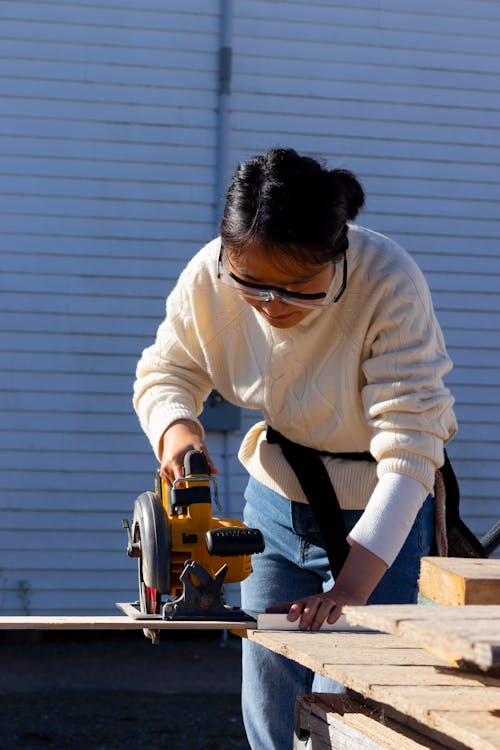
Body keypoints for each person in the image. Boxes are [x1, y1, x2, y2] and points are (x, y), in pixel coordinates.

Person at [133, 147, 457, 750]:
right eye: (254, 286)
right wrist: (178, 434)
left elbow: (411, 450)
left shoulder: (387, 280)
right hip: (275, 503)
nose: (273, 305)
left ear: (338, 255)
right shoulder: (213, 276)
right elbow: (166, 372)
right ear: (229, 256)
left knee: (363, 702)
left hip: (380, 510)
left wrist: (352, 588)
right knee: (271, 692)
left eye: (299, 289)